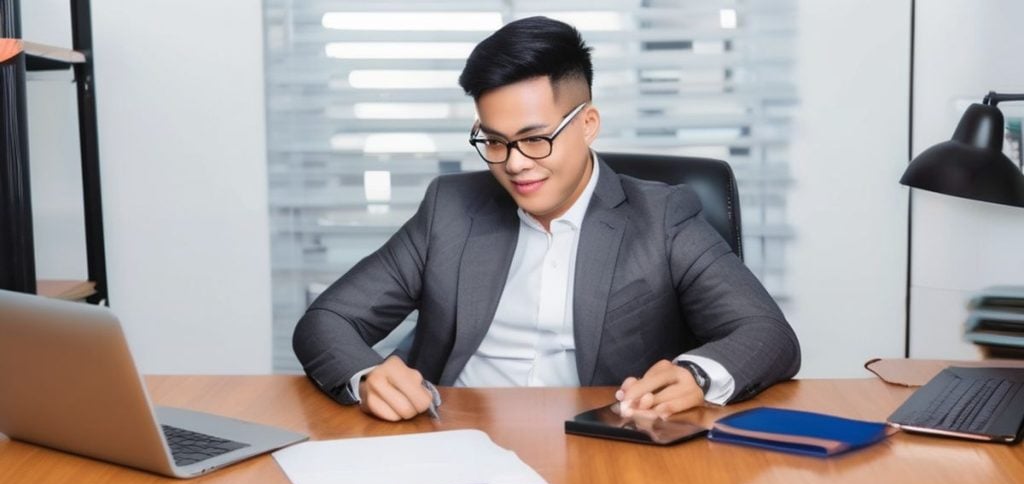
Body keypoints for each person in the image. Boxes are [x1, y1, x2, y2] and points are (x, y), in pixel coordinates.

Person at [293, 16, 800, 422]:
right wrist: (366, 376)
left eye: (535, 138)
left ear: (588, 124)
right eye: (494, 140)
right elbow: (328, 320)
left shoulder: (663, 217)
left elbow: (768, 335)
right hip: (454, 437)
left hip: (598, 450)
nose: (513, 163)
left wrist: (697, 376)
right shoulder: (450, 208)